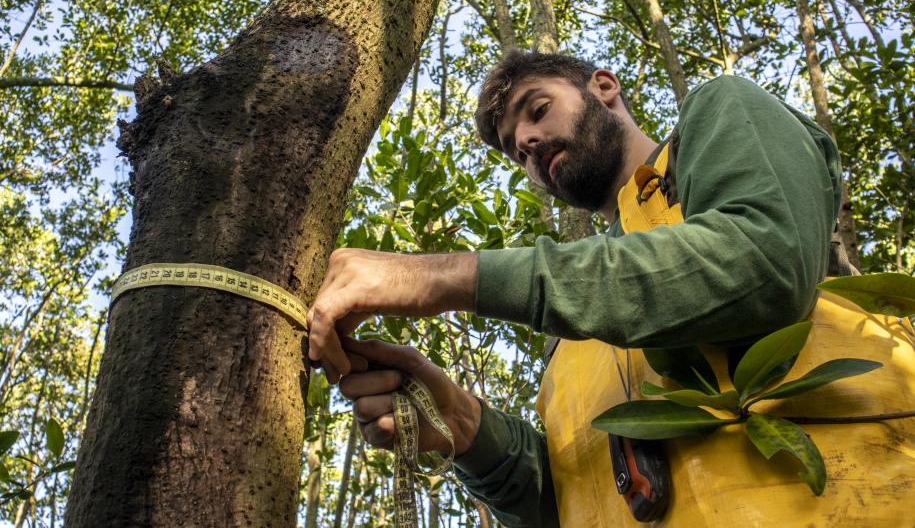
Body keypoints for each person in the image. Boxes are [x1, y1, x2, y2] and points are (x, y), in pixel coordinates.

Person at [305, 50, 842, 526]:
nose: (529, 143)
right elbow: (571, 494)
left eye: (537, 111)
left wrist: (443, 275)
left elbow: (766, 259)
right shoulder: (568, 337)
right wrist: (467, 429)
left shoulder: (720, 110)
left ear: (603, 88)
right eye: (517, 153)